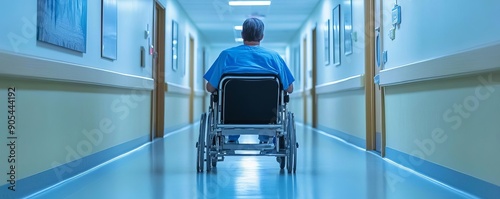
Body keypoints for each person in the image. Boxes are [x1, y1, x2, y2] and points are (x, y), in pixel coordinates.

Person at [203, 17, 295, 144]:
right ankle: (265, 138)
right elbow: (289, 89)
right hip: (267, 116)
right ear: (262, 36)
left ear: (242, 35)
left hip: (231, 115)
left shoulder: (226, 55)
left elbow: (210, 88)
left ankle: (232, 138)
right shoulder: (274, 57)